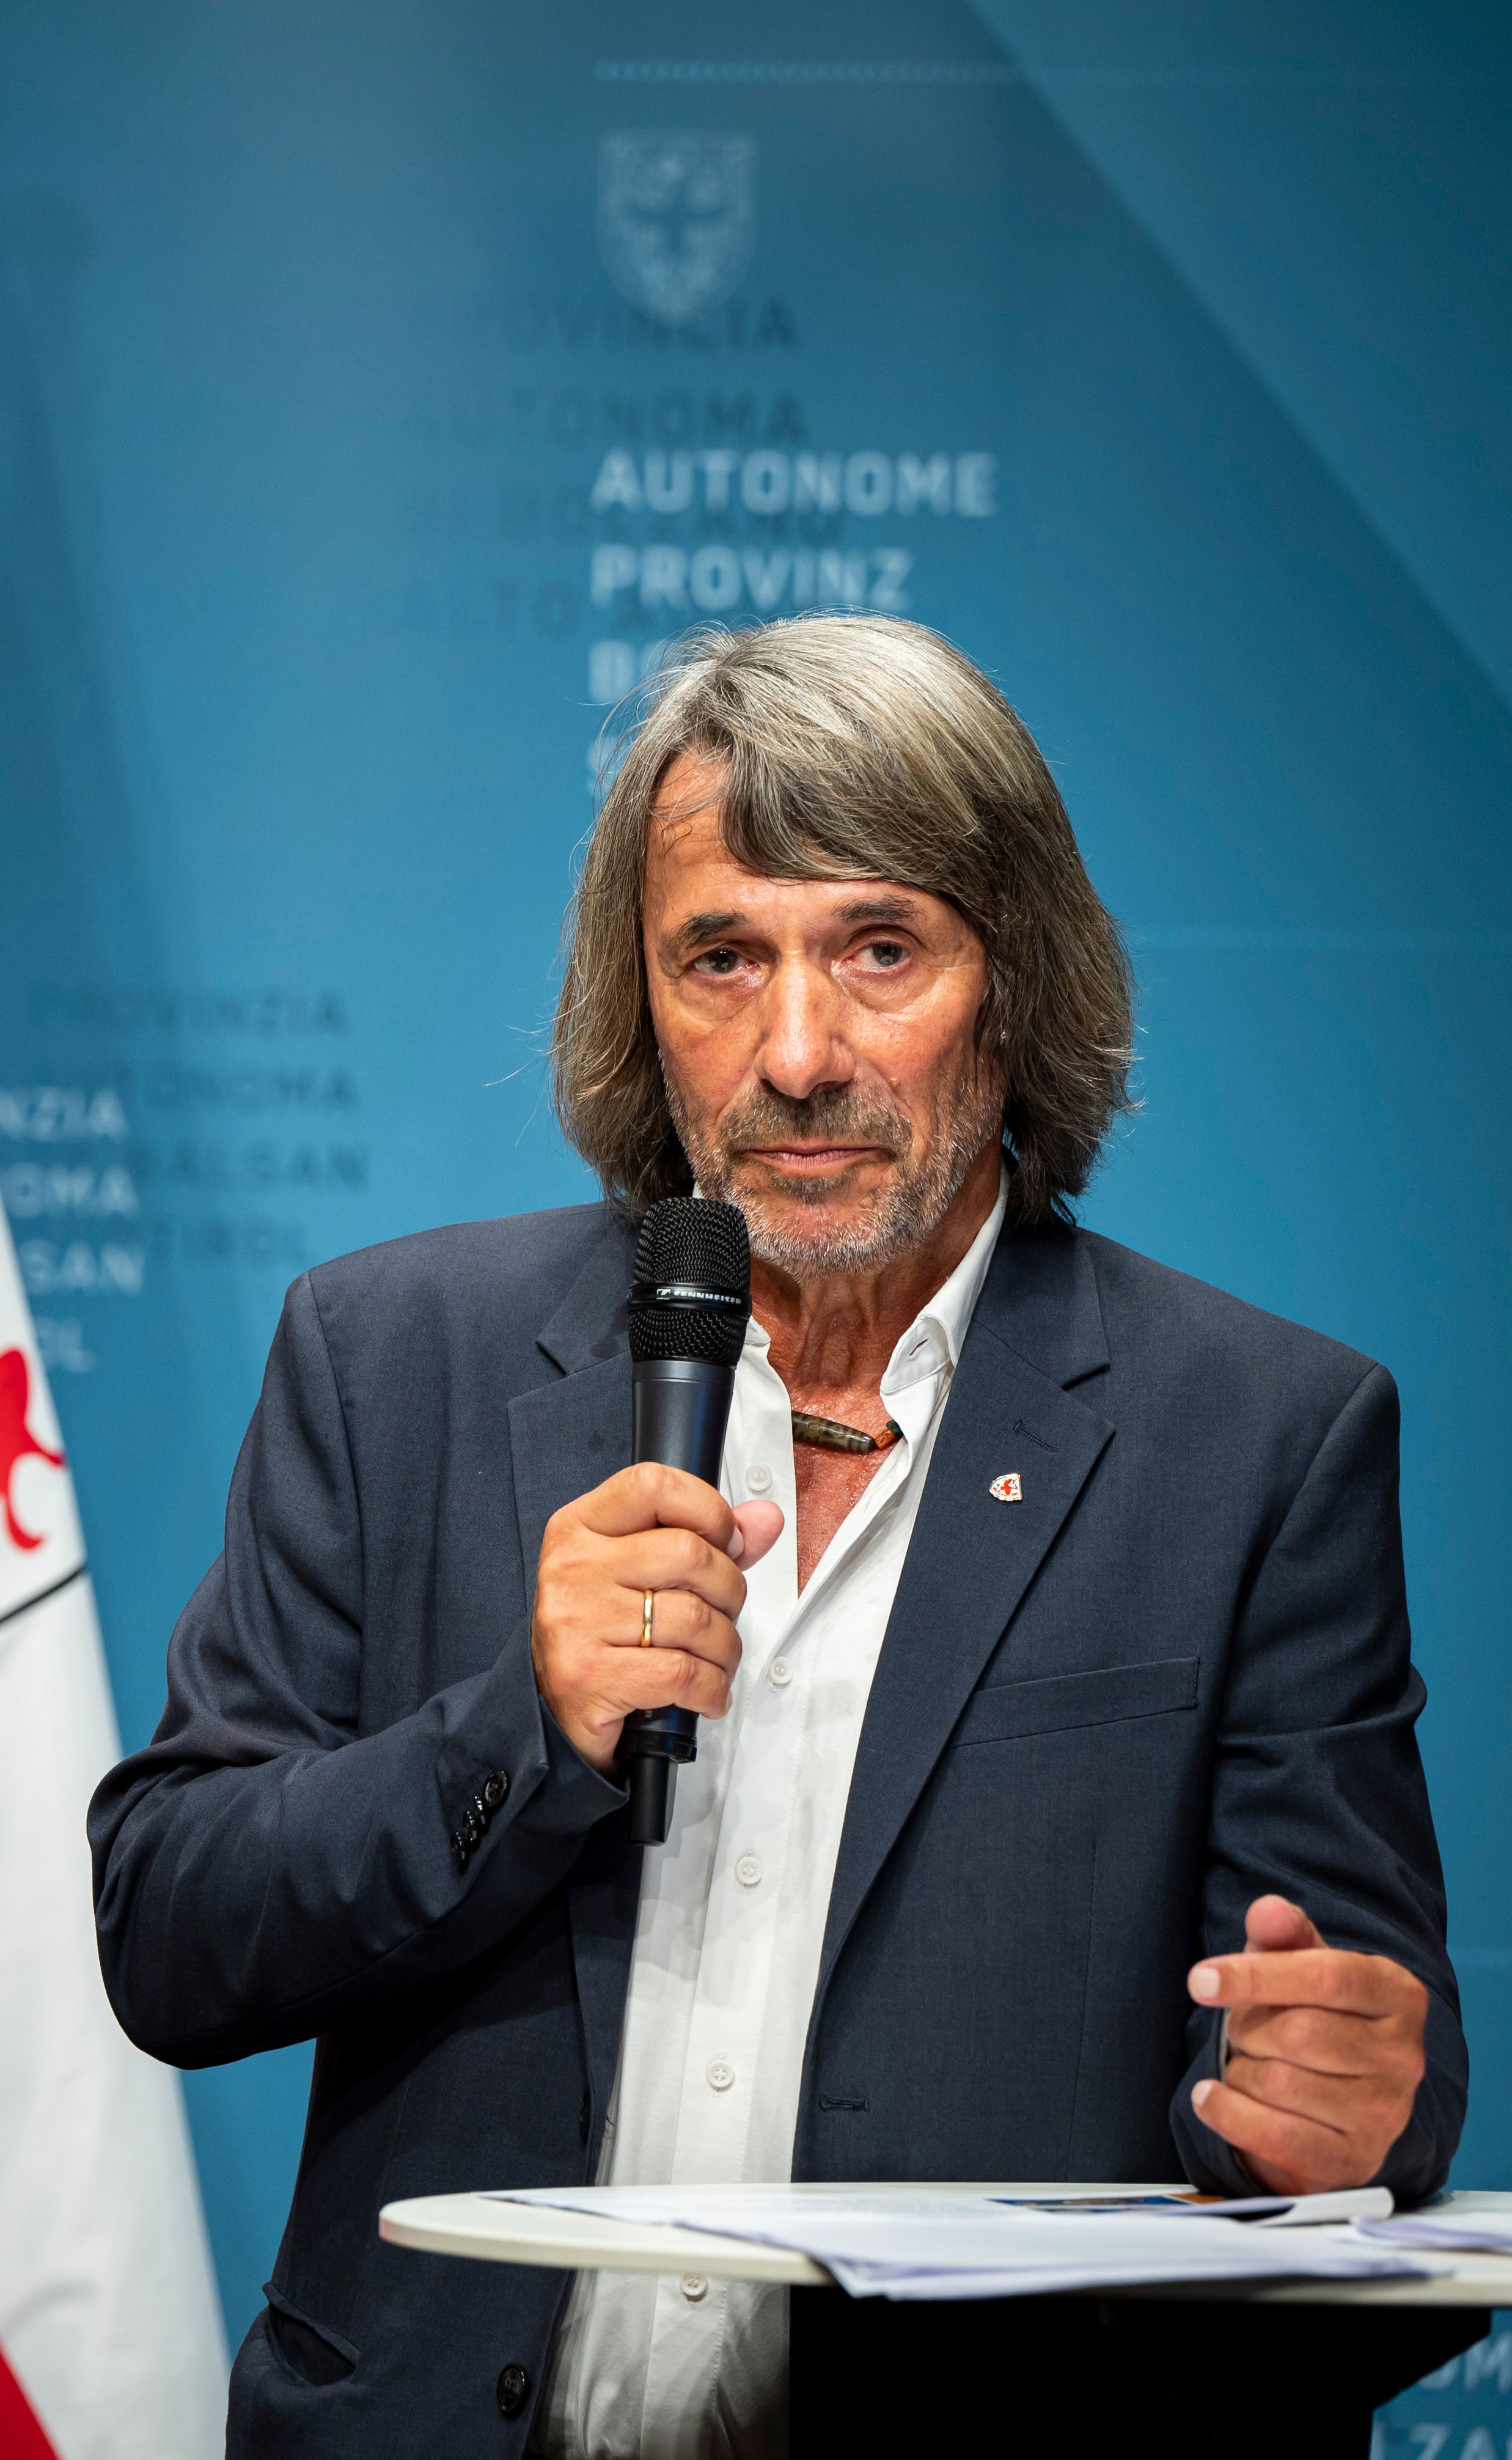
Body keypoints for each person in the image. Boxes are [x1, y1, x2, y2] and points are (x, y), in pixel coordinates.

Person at [87, 615, 1467, 2458]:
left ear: (1014, 984)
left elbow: (1341, 2049)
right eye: (722, 958)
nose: (798, 1051)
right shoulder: (389, 1355)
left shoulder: (1260, 1441)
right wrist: (523, 1726)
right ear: (637, 1001)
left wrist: (1346, 2121)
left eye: (879, 950)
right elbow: (171, 1932)